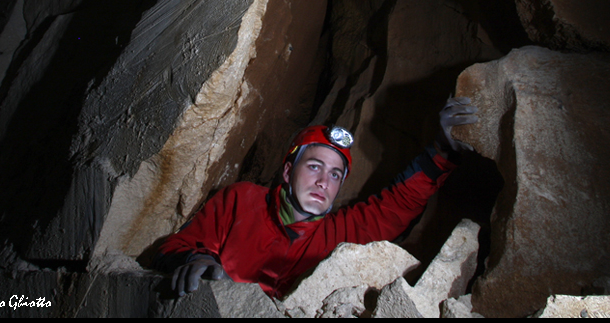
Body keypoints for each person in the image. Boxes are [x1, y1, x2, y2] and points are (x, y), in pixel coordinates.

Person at [153, 96, 477, 298]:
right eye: (314, 166)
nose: (324, 181)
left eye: (335, 174)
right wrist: (196, 260)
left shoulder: (339, 236)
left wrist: (442, 151)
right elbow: (177, 245)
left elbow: (397, 204)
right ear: (287, 171)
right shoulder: (242, 201)